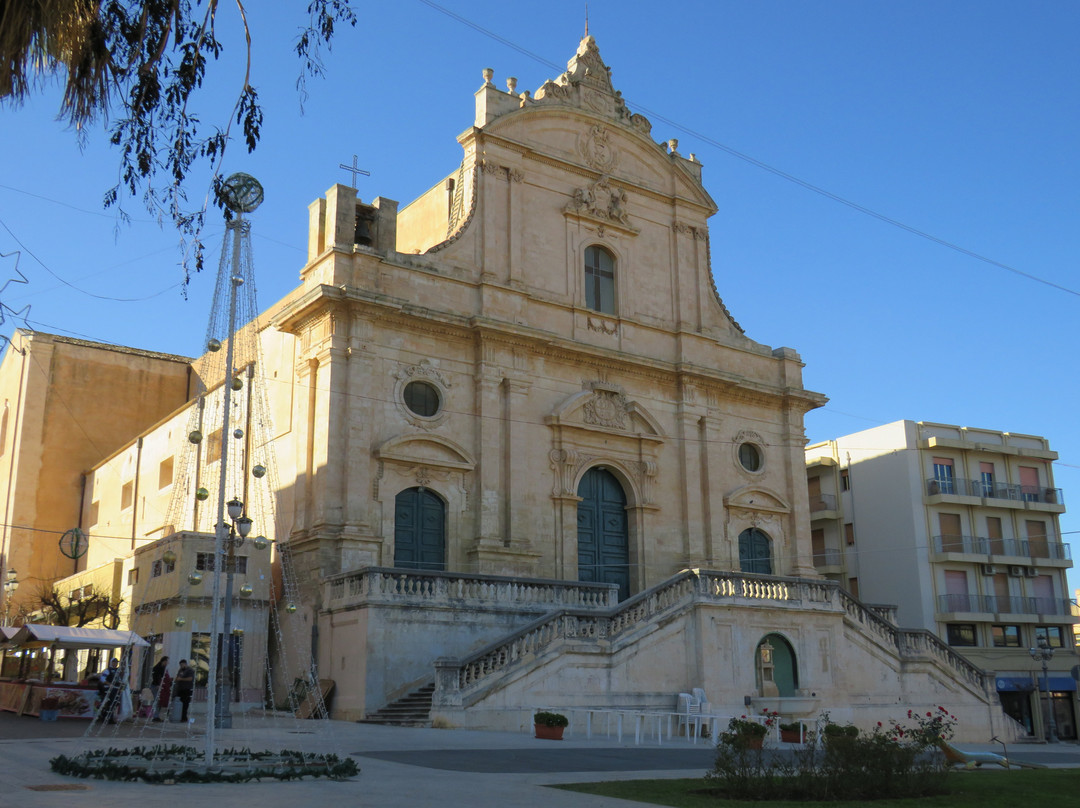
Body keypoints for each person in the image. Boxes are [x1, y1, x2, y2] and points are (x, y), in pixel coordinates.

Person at [97, 658, 122, 724]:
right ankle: (105, 717)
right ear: (111, 663)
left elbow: (119, 680)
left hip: (115, 689)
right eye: (114, 662)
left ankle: (111, 718)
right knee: (109, 703)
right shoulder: (107, 670)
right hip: (108, 689)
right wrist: (109, 684)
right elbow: (102, 679)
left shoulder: (117, 671)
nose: (115, 663)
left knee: (114, 704)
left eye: (116, 662)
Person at [150, 655, 169, 720]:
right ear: (164, 661)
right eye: (167, 661)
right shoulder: (158, 668)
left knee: (159, 701)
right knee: (156, 700)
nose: (167, 663)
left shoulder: (163, 668)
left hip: (160, 686)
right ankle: (155, 716)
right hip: (156, 686)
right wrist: (157, 684)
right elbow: (155, 676)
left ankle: (156, 715)